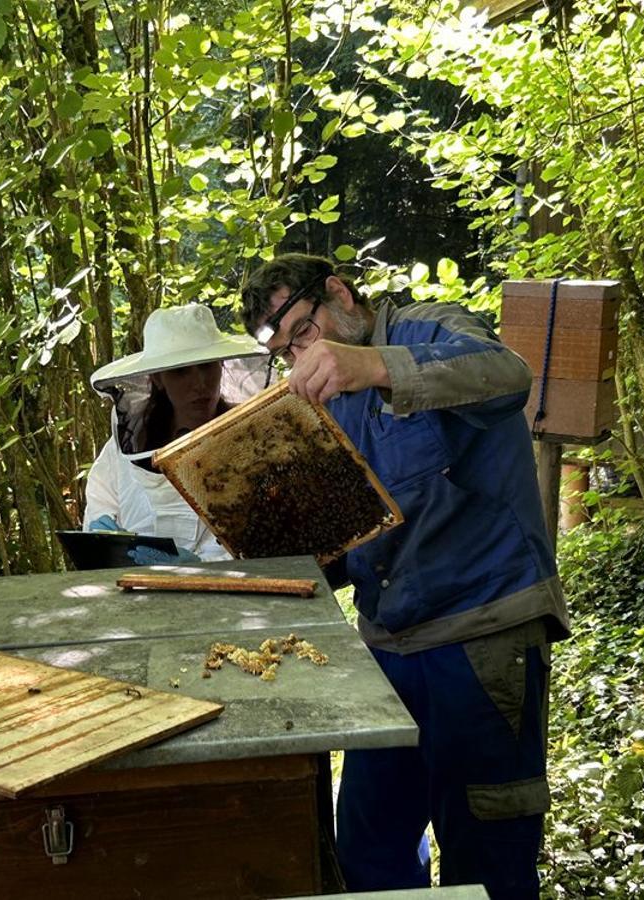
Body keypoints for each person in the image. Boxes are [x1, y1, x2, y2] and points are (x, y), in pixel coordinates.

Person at [240, 254, 571, 897]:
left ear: (338, 292)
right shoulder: (328, 399)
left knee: (488, 854)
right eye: (284, 351)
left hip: (481, 634)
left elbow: (509, 375)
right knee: (368, 851)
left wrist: (375, 366)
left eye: (302, 333)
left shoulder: (428, 329)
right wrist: (271, 567)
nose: (299, 357)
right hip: (389, 649)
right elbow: (358, 532)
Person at [84, 304, 268, 564]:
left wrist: (204, 568)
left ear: (221, 367)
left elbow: (265, 543)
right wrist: (102, 538)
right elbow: (100, 508)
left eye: (206, 367)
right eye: (180, 372)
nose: (199, 384)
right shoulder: (124, 450)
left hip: (229, 597)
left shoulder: (255, 443)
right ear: (158, 380)